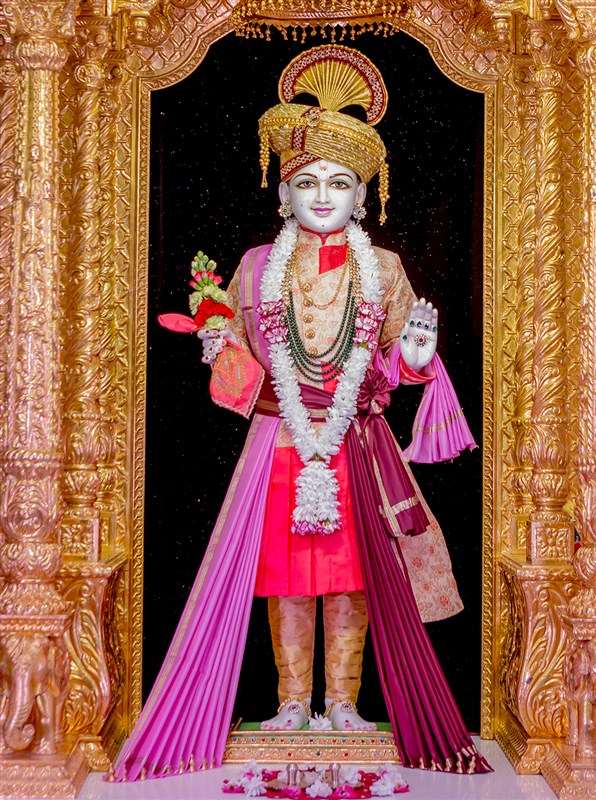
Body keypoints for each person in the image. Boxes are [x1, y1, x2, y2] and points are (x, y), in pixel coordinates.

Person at [113, 44, 490, 781]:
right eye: (307, 182)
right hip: (279, 436)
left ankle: (344, 702)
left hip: (356, 440)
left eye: (340, 183)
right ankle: (290, 701)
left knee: (353, 571)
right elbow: (238, 363)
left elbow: (395, 367)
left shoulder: (384, 269)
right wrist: (220, 348)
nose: (323, 196)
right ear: (284, 193)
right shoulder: (258, 265)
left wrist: (415, 355)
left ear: (362, 196)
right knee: (285, 571)